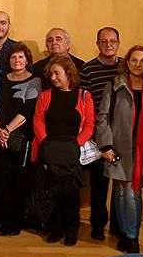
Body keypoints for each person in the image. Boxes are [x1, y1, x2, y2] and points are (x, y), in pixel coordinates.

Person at [95, 45, 143, 254]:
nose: (138, 64)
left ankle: (132, 237)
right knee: (120, 191)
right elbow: (103, 117)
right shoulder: (115, 85)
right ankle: (124, 232)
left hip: (142, 148)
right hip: (118, 146)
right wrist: (106, 145)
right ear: (127, 62)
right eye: (134, 60)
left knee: (132, 192)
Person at [31, 56, 95, 246]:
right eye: (51, 74)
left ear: (68, 73)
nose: (53, 77)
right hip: (49, 151)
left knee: (71, 195)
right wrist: (47, 146)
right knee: (52, 193)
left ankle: (71, 231)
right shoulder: (45, 96)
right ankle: (56, 229)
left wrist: (76, 145)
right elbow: (38, 122)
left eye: (57, 73)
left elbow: (90, 125)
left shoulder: (84, 96)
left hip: (72, 152)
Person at [0, 43, 41, 236]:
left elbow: (28, 111)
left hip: (22, 139)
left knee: (19, 182)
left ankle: (17, 221)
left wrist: (7, 130)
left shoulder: (35, 81)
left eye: (21, 57)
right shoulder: (2, 79)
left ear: (27, 60)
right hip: (0, 137)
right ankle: (5, 221)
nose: (17, 60)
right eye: (13, 57)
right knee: (3, 181)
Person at [79, 27, 122, 241]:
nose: (108, 45)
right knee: (99, 184)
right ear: (97, 44)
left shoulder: (126, 67)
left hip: (123, 134)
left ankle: (118, 225)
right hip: (98, 134)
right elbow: (85, 103)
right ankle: (98, 224)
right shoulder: (87, 70)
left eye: (112, 41)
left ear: (118, 43)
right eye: (104, 41)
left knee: (121, 183)